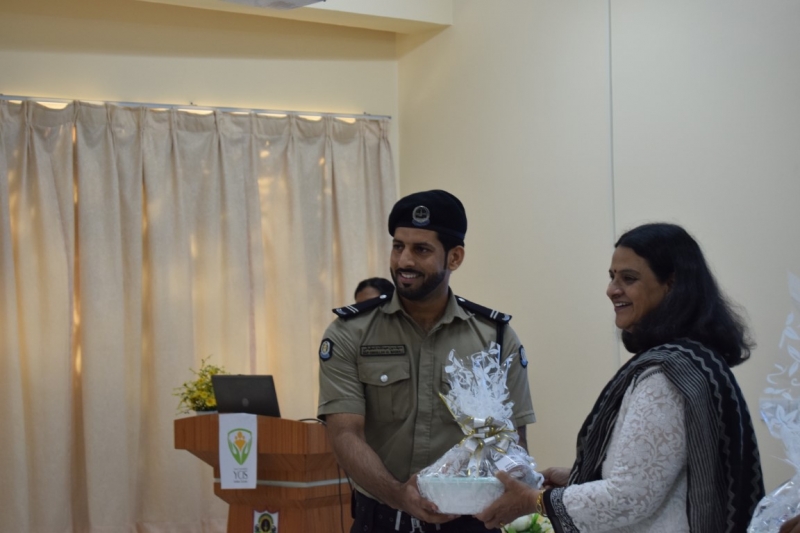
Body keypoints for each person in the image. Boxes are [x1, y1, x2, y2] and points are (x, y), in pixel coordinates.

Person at [476, 222, 765, 533]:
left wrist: (534, 501)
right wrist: (577, 477)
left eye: (629, 278)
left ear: (671, 284)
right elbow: (658, 479)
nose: (612, 289)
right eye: (612, 277)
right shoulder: (693, 361)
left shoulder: (665, 377)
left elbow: (628, 498)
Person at [318, 190, 536, 533]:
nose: (404, 261)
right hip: (381, 521)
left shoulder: (495, 338)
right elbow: (345, 433)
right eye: (398, 246)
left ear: (455, 257)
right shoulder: (351, 332)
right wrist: (398, 495)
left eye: (421, 250)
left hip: (470, 525)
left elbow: (513, 441)